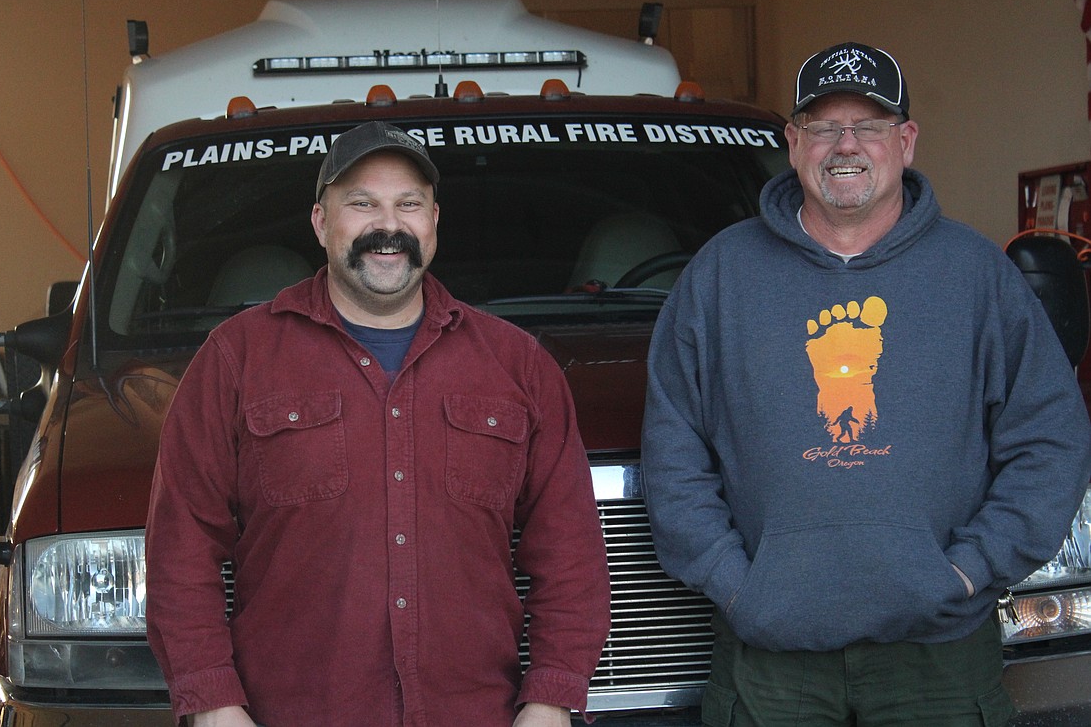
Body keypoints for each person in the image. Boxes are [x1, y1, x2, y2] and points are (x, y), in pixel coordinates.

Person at [641, 41, 1091, 725]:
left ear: (905, 141)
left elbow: (1051, 441)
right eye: (823, 127)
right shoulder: (719, 276)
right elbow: (674, 456)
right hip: (771, 659)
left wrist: (969, 570)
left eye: (869, 126)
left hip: (938, 656)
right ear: (794, 144)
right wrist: (738, 586)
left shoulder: (977, 276)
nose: (844, 145)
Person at [146, 120, 610, 727]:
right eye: (361, 204)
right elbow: (181, 549)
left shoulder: (518, 366)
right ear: (320, 222)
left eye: (408, 204)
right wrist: (212, 705)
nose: (387, 226)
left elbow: (571, 551)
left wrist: (550, 699)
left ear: (434, 222)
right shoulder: (236, 359)